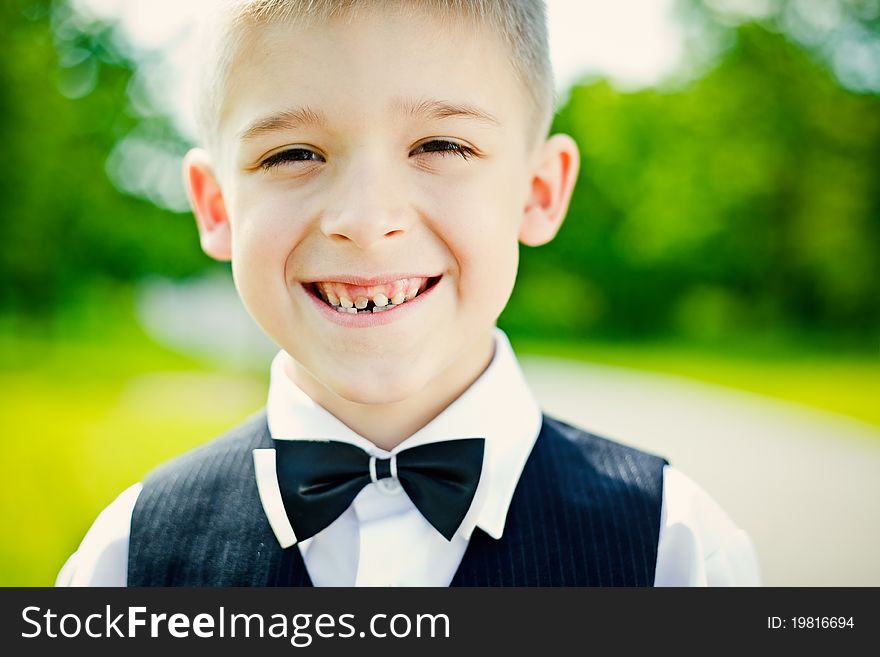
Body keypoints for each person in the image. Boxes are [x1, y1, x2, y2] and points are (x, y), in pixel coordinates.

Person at [57, 0, 760, 587]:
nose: (365, 222)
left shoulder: (677, 549)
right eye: (293, 153)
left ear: (538, 192)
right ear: (216, 207)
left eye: (440, 146)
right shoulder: (126, 559)